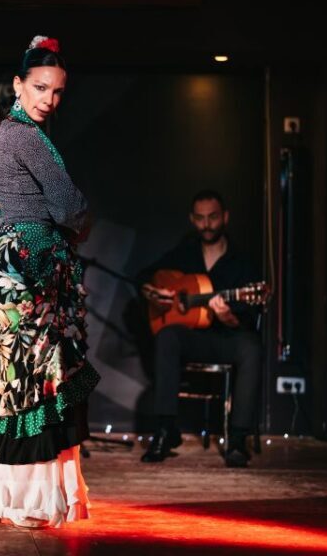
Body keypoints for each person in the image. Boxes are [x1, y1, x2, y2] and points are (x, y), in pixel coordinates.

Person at [0, 36, 100, 527]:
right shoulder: (26, 136)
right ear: (18, 84)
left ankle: (30, 492)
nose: (48, 100)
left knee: (32, 377)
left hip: (21, 260)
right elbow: (69, 205)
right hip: (28, 267)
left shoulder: (9, 131)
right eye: (40, 87)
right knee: (34, 376)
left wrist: (5, 208)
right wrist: (42, 219)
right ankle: (28, 497)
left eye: (57, 92)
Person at [139, 190, 262, 468]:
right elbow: (145, 276)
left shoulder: (242, 262)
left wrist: (227, 315)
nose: (207, 225)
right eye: (201, 218)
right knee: (167, 335)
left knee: (251, 346)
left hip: (227, 338)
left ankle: (238, 439)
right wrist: (151, 291)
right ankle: (165, 430)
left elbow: (247, 318)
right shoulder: (184, 254)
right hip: (193, 338)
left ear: (225, 217)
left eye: (213, 217)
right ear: (193, 220)